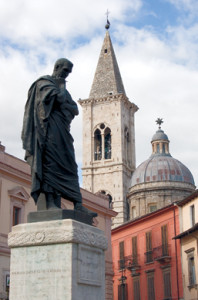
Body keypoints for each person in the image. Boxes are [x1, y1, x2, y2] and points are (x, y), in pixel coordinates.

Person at [22, 58, 95, 216]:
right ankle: (50, 203)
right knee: (51, 166)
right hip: (48, 134)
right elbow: (58, 100)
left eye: (68, 73)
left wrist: (64, 103)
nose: (66, 75)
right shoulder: (44, 84)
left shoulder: (61, 88)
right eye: (65, 71)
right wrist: (61, 89)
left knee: (71, 166)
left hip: (63, 134)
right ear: (57, 67)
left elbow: (75, 109)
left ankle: (78, 204)